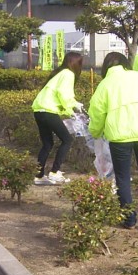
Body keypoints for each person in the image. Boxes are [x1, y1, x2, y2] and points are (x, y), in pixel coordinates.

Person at [88, 52, 138, 229]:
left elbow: (97, 113)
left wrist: (95, 131)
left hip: (120, 137)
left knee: (123, 177)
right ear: (126, 63)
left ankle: (129, 219)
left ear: (106, 68)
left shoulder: (105, 85)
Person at [31, 51, 84, 185]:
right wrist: (73, 108)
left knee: (47, 144)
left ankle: (39, 176)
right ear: (77, 64)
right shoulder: (68, 74)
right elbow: (64, 95)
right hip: (49, 110)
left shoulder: (59, 73)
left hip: (39, 110)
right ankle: (55, 172)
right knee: (67, 140)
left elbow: (59, 94)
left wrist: (72, 106)